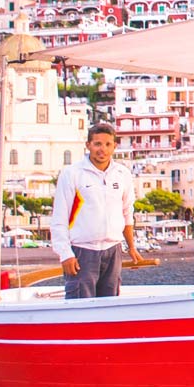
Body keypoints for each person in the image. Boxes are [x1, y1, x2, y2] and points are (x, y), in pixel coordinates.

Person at [49, 122, 140, 299]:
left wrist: (131, 247)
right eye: (97, 144)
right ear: (88, 145)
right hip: (82, 252)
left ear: (115, 146)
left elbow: (127, 213)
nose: (102, 149)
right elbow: (59, 218)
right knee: (81, 309)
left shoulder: (123, 174)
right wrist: (65, 254)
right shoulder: (72, 174)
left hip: (113, 251)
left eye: (107, 144)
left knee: (109, 310)